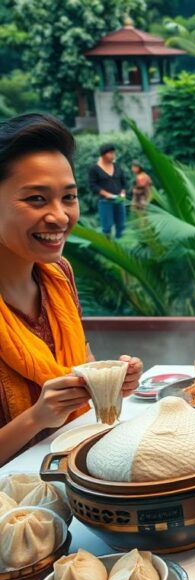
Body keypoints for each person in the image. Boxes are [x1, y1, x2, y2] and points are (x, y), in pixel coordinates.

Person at [0, 113, 142, 463]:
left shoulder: (57, 275)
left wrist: (108, 380)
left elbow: (83, 360)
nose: (60, 216)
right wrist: (35, 418)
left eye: (69, 197)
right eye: (36, 199)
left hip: (75, 470)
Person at [88, 143, 127, 239]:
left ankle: (120, 247)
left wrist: (123, 192)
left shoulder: (117, 166)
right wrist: (106, 194)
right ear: (103, 154)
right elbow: (92, 185)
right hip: (105, 202)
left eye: (114, 153)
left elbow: (123, 182)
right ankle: (108, 248)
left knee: (121, 226)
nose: (113, 155)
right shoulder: (94, 169)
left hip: (119, 200)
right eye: (110, 153)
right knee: (107, 227)